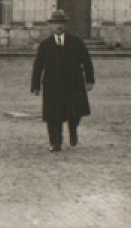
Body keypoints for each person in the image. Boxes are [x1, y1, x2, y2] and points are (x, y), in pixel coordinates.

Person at [30, 9, 94, 153]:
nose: (58, 26)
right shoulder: (45, 45)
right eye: (55, 23)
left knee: (74, 112)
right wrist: (35, 85)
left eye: (61, 23)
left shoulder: (76, 42)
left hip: (73, 83)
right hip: (52, 85)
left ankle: (73, 131)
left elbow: (87, 61)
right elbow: (38, 65)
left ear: (66, 25)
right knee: (53, 115)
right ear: (50, 26)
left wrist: (89, 80)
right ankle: (55, 142)